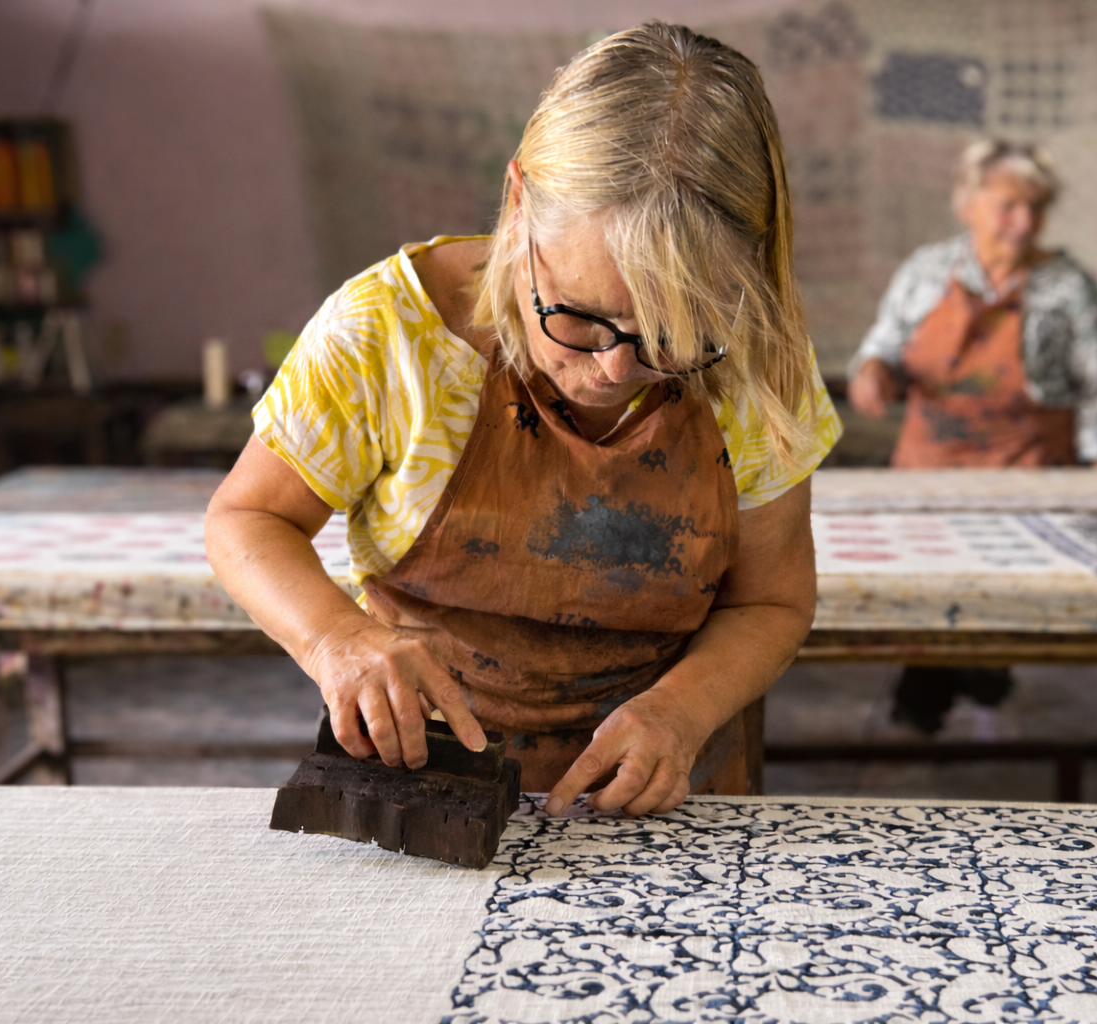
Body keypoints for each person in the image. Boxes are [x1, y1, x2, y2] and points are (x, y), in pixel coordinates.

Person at [205, 23, 842, 818]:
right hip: (432, 781)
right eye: (578, 318)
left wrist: (680, 712)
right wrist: (336, 639)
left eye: (673, 339)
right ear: (518, 206)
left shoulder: (754, 352)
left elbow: (771, 602)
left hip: (666, 795)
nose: (614, 371)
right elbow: (247, 519)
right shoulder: (391, 335)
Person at [846, 139, 1097, 734]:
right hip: (930, 470)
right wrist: (873, 374)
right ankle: (965, 692)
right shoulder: (927, 272)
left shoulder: (1069, 287)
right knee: (928, 590)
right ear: (968, 204)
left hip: (1024, 470)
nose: (1023, 222)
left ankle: (943, 700)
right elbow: (881, 350)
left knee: (998, 593)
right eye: (1009, 206)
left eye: (1036, 208)